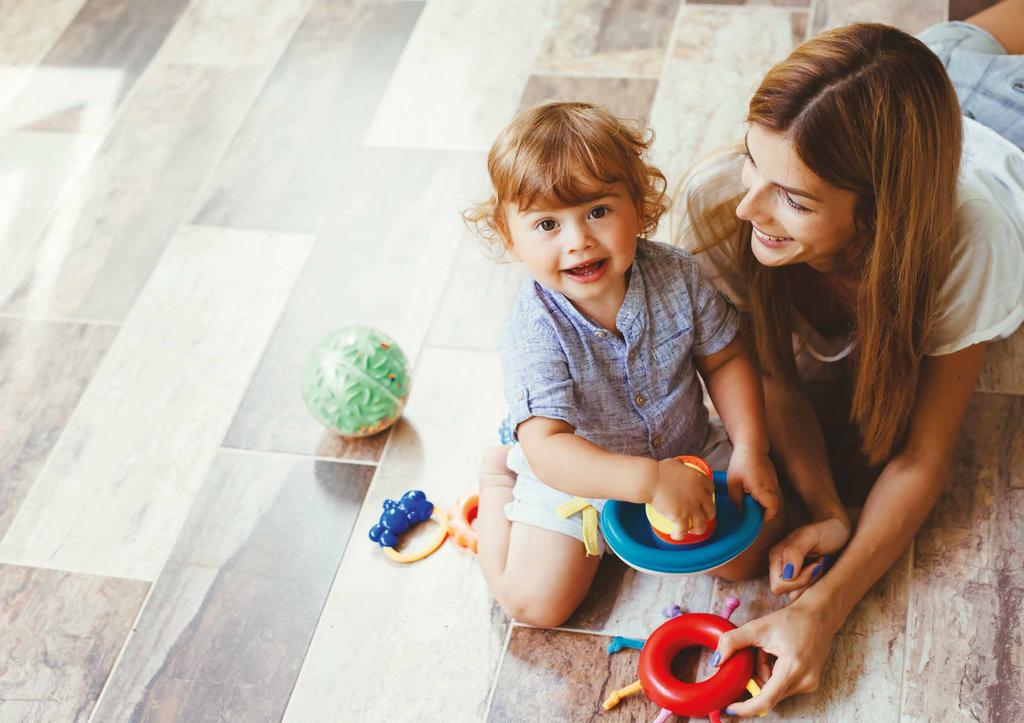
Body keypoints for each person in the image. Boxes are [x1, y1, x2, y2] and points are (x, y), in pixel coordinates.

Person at [674, 6, 1024, 716]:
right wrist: (831, 508)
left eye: (793, 199)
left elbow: (924, 457)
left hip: (1008, 122)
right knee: (956, 47)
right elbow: (767, 374)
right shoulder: (718, 203)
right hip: (927, 78)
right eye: (752, 157)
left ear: (878, 215)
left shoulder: (972, 241)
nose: (748, 208)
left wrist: (825, 609)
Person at [463, 101, 784, 627]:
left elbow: (726, 359)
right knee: (535, 605)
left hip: (686, 450)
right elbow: (549, 447)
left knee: (751, 551)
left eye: (597, 211)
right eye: (547, 223)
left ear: (638, 204)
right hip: (573, 477)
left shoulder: (678, 276)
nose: (578, 240)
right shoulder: (534, 329)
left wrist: (750, 447)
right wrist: (649, 483)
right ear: (509, 235)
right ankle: (499, 476)